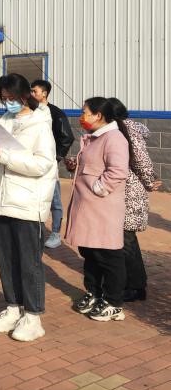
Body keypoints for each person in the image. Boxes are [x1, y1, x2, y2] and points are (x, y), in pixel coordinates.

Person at [0, 73, 57, 342]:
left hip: (28, 202)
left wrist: (4, 156)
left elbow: (43, 164)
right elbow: (0, 159)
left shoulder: (40, 124)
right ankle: (13, 307)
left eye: (11, 98)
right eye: (3, 98)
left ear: (25, 95)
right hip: (4, 200)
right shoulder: (5, 121)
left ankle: (33, 316)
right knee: (6, 259)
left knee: (29, 262)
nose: (7, 103)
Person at [65, 97, 130, 322]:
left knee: (108, 256)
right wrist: (76, 165)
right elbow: (94, 165)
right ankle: (94, 292)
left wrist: (98, 188)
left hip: (102, 209)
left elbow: (118, 171)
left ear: (98, 115)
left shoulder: (114, 138)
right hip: (87, 208)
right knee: (90, 253)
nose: (81, 117)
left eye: (85, 112)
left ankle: (114, 302)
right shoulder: (94, 137)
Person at [106, 98, 161, 302]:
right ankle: (130, 282)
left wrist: (149, 181)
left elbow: (141, 161)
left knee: (126, 239)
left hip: (130, 193)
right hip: (119, 192)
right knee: (124, 238)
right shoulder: (113, 130)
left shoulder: (127, 131)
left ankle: (136, 286)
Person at [30, 79, 75, 248]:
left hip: (49, 164)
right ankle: (36, 231)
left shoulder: (55, 113)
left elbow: (67, 137)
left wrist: (55, 157)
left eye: (35, 91)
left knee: (54, 199)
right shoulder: (30, 111)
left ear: (44, 93)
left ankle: (55, 233)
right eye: (31, 91)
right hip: (32, 163)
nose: (32, 94)